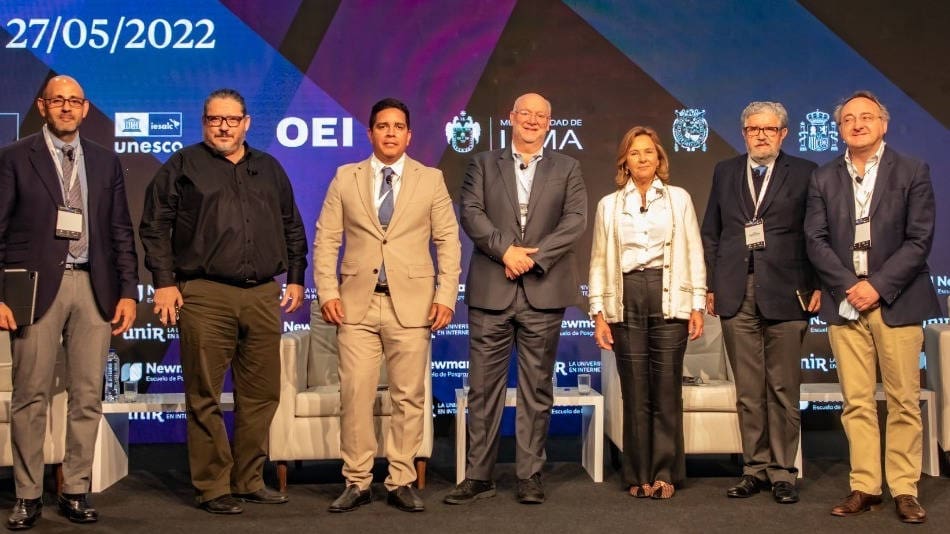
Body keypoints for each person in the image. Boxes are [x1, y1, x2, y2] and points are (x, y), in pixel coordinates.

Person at [139, 88, 307, 514]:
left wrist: (296, 279)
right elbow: (155, 226)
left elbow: (292, 226)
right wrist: (163, 282)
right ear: (204, 123)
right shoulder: (182, 165)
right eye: (216, 119)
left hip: (262, 294)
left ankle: (248, 479)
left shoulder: (269, 168)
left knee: (263, 393)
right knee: (205, 395)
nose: (224, 126)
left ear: (247, 123)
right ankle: (213, 486)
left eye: (232, 119)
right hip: (203, 294)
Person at [0, 75, 138, 529]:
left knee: (86, 395)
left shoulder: (104, 161)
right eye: (58, 100)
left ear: (84, 109)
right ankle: (26, 494)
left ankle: (75, 489)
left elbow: (121, 229)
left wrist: (127, 291)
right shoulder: (15, 157)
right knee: (30, 395)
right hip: (36, 289)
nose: (66, 108)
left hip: (93, 287)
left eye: (74, 101)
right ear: (42, 106)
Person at [314, 97, 461, 513]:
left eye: (398, 126)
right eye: (383, 126)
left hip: (411, 306)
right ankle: (357, 481)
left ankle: (400, 480)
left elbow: (447, 241)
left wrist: (444, 296)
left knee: (408, 397)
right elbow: (326, 239)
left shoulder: (430, 179)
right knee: (356, 394)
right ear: (371, 132)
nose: (391, 132)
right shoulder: (345, 177)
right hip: (356, 305)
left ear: (409, 135)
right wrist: (327, 292)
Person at [446, 93, 587, 505]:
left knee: (536, 388)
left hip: (543, 291)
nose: (532, 120)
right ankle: (479, 476)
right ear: (510, 118)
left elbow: (575, 220)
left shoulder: (568, 167)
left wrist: (531, 259)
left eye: (540, 115)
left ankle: (529, 475)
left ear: (550, 123)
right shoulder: (483, 163)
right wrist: (505, 252)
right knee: (483, 388)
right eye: (524, 113)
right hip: (492, 288)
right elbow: (470, 212)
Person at [805, 90, 939, 524]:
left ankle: (904, 488)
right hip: (846, 304)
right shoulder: (824, 178)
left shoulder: (913, 171)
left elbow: (919, 240)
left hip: (897, 300)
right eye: (848, 119)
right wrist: (850, 287)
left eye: (866, 117)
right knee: (856, 401)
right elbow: (815, 240)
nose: (857, 124)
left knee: (902, 400)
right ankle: (865, 486)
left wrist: (877, 286)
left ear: (883, 124)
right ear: (839, 129)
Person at [701, 102, 819, 504]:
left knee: (783, 387)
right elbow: (712, 233)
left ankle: (784, 472)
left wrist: (818, 282)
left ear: (784, 133)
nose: (761, 135)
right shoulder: (725, 171)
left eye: (769, 129)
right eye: (753, 129)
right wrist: (713, 284)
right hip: (736, 292)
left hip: (788, 292)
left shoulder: (804, 173)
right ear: (744, 133)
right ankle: (754, 468)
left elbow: (816, 234)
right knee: (748, 391)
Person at [588, 126, 704, 499]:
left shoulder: (678, 199)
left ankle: (665, 472)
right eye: (635, 153)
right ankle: (637, 473)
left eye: (648, 152)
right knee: (635, 390)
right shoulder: (609, 204)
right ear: (625, 159)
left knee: (666, 389)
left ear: (659, 159)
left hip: (669, 297)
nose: (642, 158)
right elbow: (598, 261)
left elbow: (694, 252)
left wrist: (697, 304)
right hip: (626, 297)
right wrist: (598, 313)